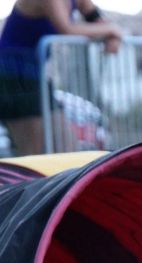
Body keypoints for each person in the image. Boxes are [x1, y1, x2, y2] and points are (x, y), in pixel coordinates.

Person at [0, 0, 122, 156]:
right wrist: (111, 30)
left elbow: (98, 20)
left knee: (66, 149)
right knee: (34, 155)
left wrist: (112, 35)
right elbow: (66, 29)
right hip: (12, 76)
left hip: (36, 77)